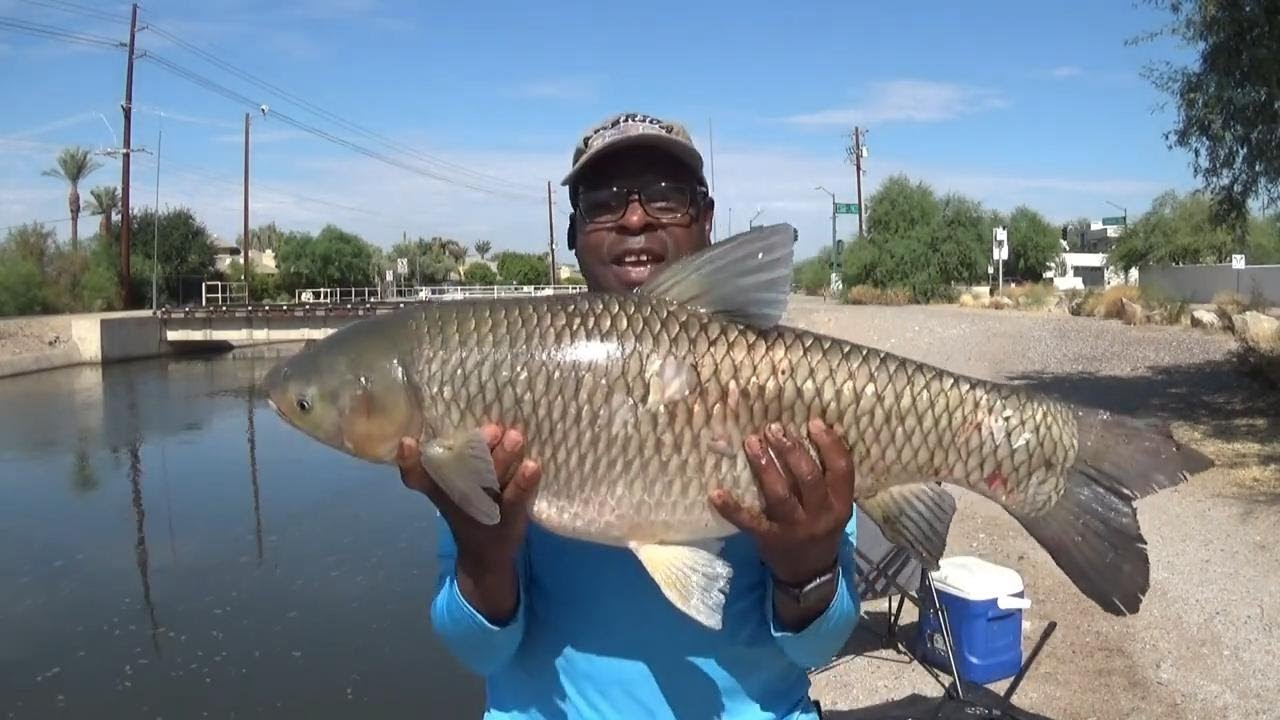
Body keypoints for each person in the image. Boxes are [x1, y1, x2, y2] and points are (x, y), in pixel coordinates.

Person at [395, 111, 860, 719]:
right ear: (574, 231)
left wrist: (808, 567)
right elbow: (479, 653)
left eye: (666, 197)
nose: (635, 218)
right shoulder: (502, 378)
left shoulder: (793, 389)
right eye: (603, 200)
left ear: (708, 220)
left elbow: (821, 643)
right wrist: (483, 556)